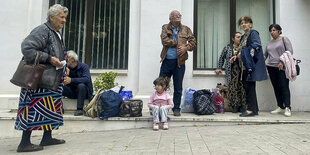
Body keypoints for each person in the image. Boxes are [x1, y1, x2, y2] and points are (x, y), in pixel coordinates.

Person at [14, 4, 68, 152]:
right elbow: (27, 48)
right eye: (61, 17)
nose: (64, 20)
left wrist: (65, 65)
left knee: (50, 109)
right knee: (32, 110)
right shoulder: (42, 30)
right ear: (52, 17)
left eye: (65, 17)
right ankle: (24, 143)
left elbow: (57, 52)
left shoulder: (55, 32)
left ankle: (47, 137)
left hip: (51, 80)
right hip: (39, 81)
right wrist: (49, 58)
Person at [159, 10, 197, 116]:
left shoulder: (186, 29)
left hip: (179, 63)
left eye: (179, 15)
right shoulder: (165, 27)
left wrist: (186, 47)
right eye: (175, 15)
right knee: (161, 84)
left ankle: (176, 108)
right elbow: (164, 40)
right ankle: (161, 106)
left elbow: (193, 42)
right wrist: (176, 43)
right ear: (170, 18)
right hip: (167, 61)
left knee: (178, 86)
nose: (178, 17)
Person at [230, 16, 268, 117]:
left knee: (249, 87)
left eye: (246, 22)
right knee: (247, 87)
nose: (243, 25)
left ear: (250, 24)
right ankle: (254, 109)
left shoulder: (253, 33)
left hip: (250, 66)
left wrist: (242, 53)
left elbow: (256, 45)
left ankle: (251, 109)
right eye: (242, 23)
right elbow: (241, 50)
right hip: (244, 67)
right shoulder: (243, 36)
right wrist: (236, 56)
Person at [264, 24, 293, 117]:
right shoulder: (269, 43)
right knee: (276, 87)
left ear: (279, 31)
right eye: (271, 31)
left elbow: (290, 51)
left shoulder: (284, 39)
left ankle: (288, 107)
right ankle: (281, 106)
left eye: (274, 30)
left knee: (284, 87)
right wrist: (259, 62)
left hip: (282, 67)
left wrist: (282, 62)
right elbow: (265, 56)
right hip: (271, 67)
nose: (272, 32)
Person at [215, 32, 246, 113]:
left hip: (242, 71)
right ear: (233, 38)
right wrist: (219, 67)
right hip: (231, 71)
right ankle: (235, 105)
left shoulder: (243, 48)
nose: (239, 38)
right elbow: (222, 58)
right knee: (233, 88)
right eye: (238, 37)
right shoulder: (227, 48)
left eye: (241, 37)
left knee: (242, 88)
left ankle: (242, 106)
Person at [63, 50, 93, 116]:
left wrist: (71, 80)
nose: (65, 59)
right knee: (60, 86)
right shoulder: (67, 68)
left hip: (84, 93)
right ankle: (59, 107)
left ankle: (79, 109)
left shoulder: (84, 66)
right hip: (72, 92)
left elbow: (86, 79)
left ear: (72, 59)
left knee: (81, 85)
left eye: (67, 57)